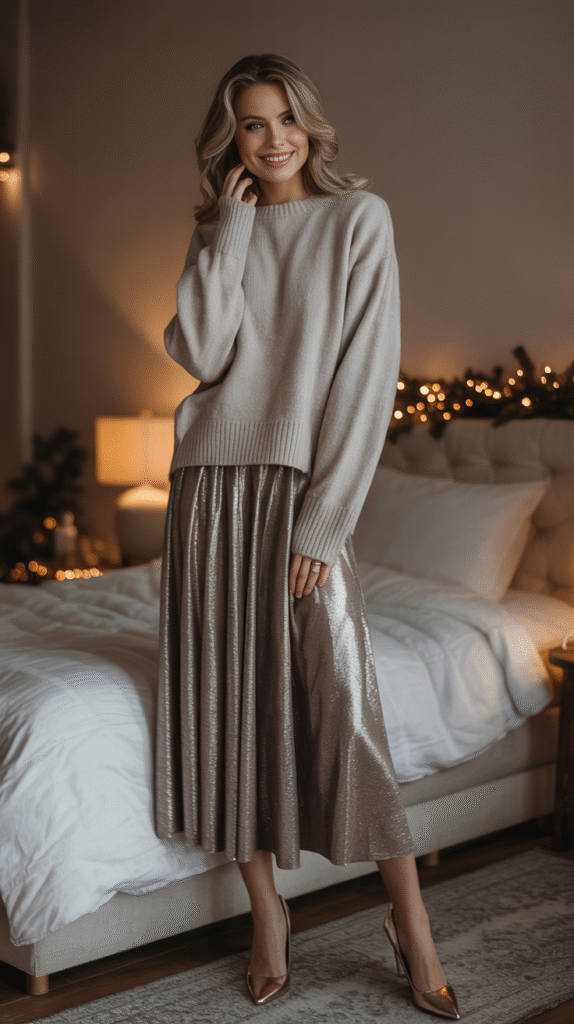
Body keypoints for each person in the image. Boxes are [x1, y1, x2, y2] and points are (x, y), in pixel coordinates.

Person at [154, 53, 460, 1020]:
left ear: (310, 125)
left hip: (299, 496)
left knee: (345, 708)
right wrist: (230, 229)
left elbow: (367, 384)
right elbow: (201, 353)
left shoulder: (358, 221)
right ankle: (265, 912)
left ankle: (410, 926)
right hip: (207, 491)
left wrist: (325, 522)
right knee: (221, 705)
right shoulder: (222, 227)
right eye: (251, 123)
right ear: (231, 141)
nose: (274, 136)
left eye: (285, 117)